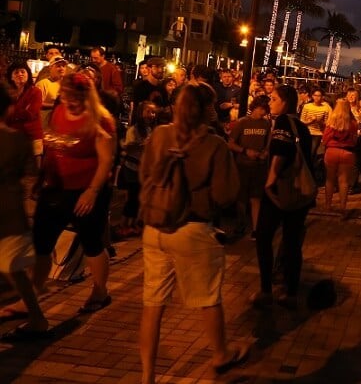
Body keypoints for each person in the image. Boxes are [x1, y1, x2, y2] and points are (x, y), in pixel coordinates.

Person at [138, 82, 246, 382]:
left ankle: (147, 375)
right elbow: (225, 195)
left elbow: (145, 174)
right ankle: (221, 353)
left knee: (153, 304)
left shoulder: (160, 135)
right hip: (193, 229)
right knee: (207, 297)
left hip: (155, 227)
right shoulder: (213, 145)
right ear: (206, 109)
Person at [9, 72, 116, 318]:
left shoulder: (100, 120)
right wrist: (42, 177)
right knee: (41, 244)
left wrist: (91, 192)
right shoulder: (58, 112)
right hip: (55, 188)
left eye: (76, 99)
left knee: (92, 243)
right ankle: (31, 297)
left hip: (86, 191)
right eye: (66, 98)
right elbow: (52, 146)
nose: (70, 103)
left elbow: (106, 161)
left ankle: (100, 292)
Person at [252, 85, 313, 310]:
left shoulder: (283, 122)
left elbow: (280, 151)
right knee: (292, 242)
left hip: (280, 191)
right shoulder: (301, 126)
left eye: (274, 98)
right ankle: (291, 292)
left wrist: (270, 179)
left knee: (264, 237)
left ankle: (266, 289)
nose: (270, 102)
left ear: (285, 102)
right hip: (300, 193)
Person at [0, 82, 50, 342]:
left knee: (13, 268)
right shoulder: (18, 139)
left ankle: (37, 317)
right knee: (13, 268)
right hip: (11, 211)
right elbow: (29, 174)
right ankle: (36, 316)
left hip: (7, 212)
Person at [227, 95, 272, 239]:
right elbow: (231, 143)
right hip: (243, 165)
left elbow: (268, 142)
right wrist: (245, 151)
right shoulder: (242, 123)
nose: (263, 113)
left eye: (265, 110)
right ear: (255, 107)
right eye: (261, 109)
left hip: (259, 165)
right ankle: (240, 225)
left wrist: (265, 152)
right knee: (241, 197)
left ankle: (255, 229)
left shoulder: (266, 124)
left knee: (256, 197)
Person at [116, 101, 157, 238]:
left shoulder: (149, 129)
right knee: (132, 198)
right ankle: (123, 225)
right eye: (149, 111)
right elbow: (127, 147)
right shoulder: (133, 130)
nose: (151, 115)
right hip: (132, 168)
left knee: (138, 198)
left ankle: (133, 223)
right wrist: (142, 145)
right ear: (141, 113)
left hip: (142, 168)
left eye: (153, 112)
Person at [322, 98, 358, 216]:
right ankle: (343, 206)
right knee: (344, 181)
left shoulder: (331, 122)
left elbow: (325, 139)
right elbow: (354, 140)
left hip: (332, 151)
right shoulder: (353, 124)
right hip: (347, 153)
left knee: (329, 180)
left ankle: (328, 205)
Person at [6, 61, 44, 167]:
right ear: (11, 77)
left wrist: (11, 112)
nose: (20, 74)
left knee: (34, 169)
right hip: (13, 136)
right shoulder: (8, 93)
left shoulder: (35, 92)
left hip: (32, 135)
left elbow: (31, 114)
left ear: (28, 74)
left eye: (23, 71)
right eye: (16, 72)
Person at [35, 55, 67, 130]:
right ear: (50, 68)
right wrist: (56, 105)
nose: (61, 68)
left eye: (63, 66)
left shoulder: (66, 85)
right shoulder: (43, 84)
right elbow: (37, 104)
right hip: (45, 124)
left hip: (60, 125)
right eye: (58, 66)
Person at [300, 88, 331, 162]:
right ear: (312, 96)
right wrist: (310, 121)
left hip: (318, 133)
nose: (317, 97)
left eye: (319, 96)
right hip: (307, 132)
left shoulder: (325, 108)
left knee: (312, 152)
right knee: (305, 151)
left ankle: (310, 168)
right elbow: (302, 121)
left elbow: (326, 123)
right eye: (315, 95)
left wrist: (318, 121)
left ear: (322, 97)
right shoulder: (307, 106)